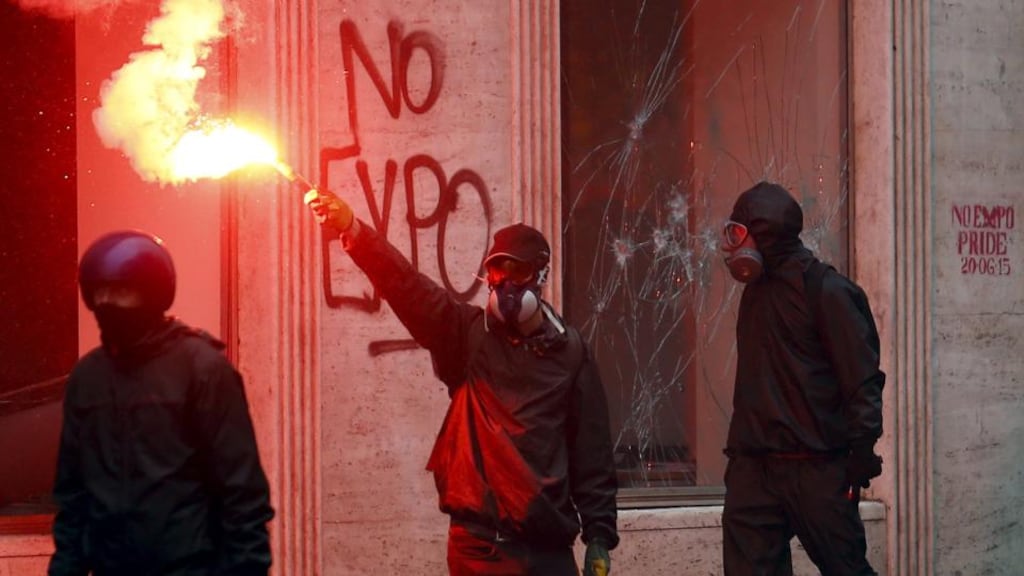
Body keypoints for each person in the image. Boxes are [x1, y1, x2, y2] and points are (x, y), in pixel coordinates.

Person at [305, 189, 619, 576]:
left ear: (540, 275)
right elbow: (406, 286)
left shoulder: (571, 353)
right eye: (496, 271)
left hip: (548, 551)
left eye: (516, 271)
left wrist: (600, 536)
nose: (504, 284)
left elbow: (592, 453)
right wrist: (354, 230)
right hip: (481, 551)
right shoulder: (467, 335)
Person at [49, 230, 274, 576]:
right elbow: (73, 496)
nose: (109, 302)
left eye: (122, 292)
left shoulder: (203, 370)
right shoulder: (88, 378)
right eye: (100, 292)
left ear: (152, 294)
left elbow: (242, 495)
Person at [719, 182, 884, 575]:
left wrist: (859, 455)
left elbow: (862, 380)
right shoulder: (756, 292)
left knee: (846, 569)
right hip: (754, 469)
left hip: (817, 469)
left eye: (739, 232)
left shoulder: (827, 290)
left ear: (765, 232)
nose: (731, 245)